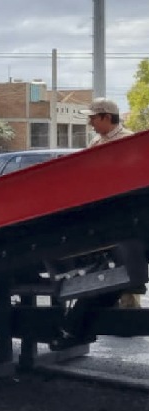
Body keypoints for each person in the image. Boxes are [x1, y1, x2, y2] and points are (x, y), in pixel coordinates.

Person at [78, 98, 140, 309]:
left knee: (126, 257)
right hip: (101, 210)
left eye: (93, 118)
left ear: (106, 117)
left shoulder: (128, 140)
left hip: (124, 210)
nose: (90, 123)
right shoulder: (96, 142)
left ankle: (129, 307)